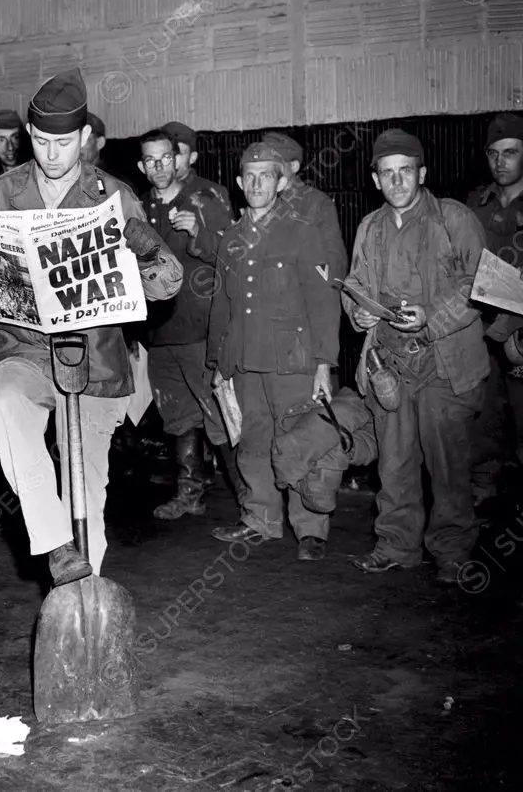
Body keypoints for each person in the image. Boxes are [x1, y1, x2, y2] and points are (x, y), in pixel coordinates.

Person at [0, 67, 185, 585]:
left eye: (63, 143)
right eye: (41, 141)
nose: (51, 154)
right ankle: (55, 543)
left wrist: (151, 251)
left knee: (87, 487)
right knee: (5, 409)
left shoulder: (114, 196)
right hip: (22, 349)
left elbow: (165, 289)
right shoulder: (1, 195)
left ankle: (83, 599)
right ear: (29, 135)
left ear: (86, 138)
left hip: (95, 358)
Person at [344, 129, 489, 584]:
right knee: (394, 462)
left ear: (422, 173)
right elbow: (355, 285)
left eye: (405, 171)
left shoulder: (453, 218)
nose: (397, 182)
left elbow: (480, 285)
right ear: (375, 180)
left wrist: (432, 316)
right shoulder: (370, 227)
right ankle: (396, 545)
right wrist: (357, 313)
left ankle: (451, 551)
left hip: (443, 363)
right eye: (387, 174)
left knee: (447, 465)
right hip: (391, 365)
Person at [207, 141, 342, 561]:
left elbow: (323, 303)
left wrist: (323, 365)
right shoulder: (230, 238)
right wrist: (219, 362)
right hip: (246, 359)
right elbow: (222, 306)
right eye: (249, 176)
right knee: (252, 439)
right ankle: (260, 519)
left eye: (266, 175)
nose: (257, 183)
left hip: (293, 361)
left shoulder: (303, 232)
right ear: (238, 181)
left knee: (299, 440)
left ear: (282, 181)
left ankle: (311, 529)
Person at [138, 125, 238, 519]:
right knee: (177, 417)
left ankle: (252, 501)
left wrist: (199, 232)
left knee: (219, 415)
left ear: (179, 157)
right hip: (160, 332)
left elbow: (233, 257)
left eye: (167, 157)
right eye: (151, 160)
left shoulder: (204, 198)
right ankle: (190, 493)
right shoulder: (137, 207)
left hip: (199, 329)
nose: (161, 165)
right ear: (142, 165)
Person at [467, 113, 523, 500]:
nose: (501, 161)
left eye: (512, 153)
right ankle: (482, 502)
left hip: (521, 336)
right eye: (494, 153)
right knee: (482, 424)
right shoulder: (475, 205)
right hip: (482, 333)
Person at [262, 131, 348, 280]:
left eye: (275, 164)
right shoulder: (259, 201)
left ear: (294, 166)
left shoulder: (316, 203)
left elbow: (335, 266)